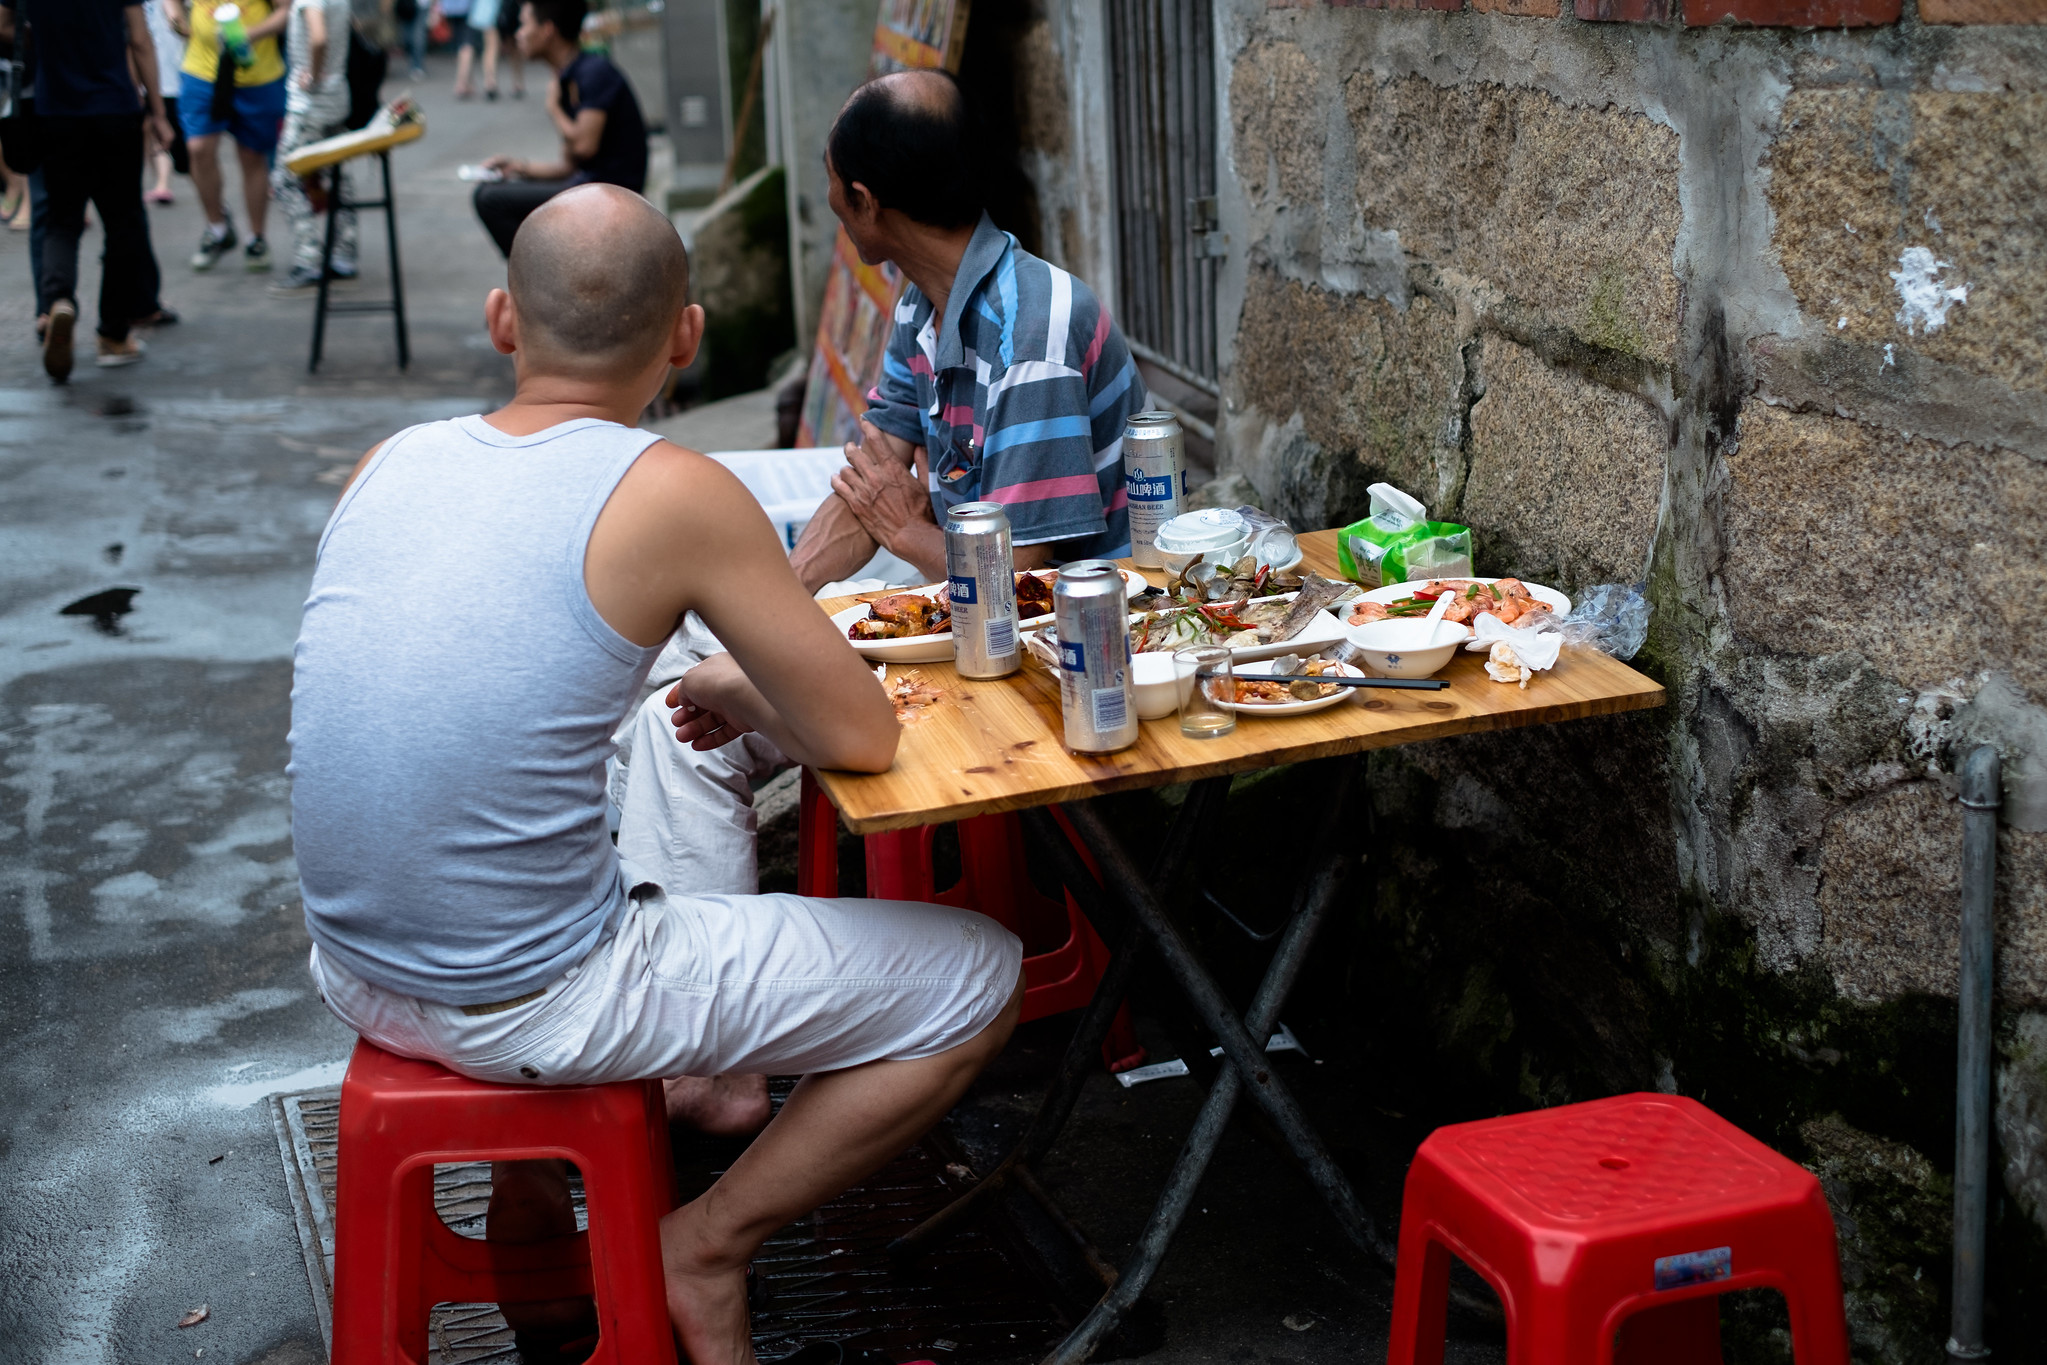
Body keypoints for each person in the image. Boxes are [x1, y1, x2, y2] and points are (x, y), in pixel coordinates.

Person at [290, 182, 1022, 1365]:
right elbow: (862, 737)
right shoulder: (674, 488)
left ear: (500, 322)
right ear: (685, 338)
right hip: (528, 994)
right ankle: (709, 1245)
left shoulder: (387, 463)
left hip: (360, 967)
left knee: (547, 833)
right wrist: (734, 686)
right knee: (976, 977)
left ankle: (531, 1199)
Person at [611, 68, 1145, 902]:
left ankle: (690, 977)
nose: (826, 191)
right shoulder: (923, 305)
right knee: (669, 663)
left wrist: (901, 533)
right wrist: (768, 614)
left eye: (829, 177)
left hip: (1055, 648)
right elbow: (869, 483)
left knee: (673, 708)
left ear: (863, 200)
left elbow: (1020, 587)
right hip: (952, 598)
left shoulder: (1032, 335)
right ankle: (666, 952)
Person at [0, 0, 175, 380]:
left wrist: (43, 39)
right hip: (115, 108)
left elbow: (5, 26)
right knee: (123, 223)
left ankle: (57, 300)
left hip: (54, 110)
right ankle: (113, 336)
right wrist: (159, 113)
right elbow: (141, 40)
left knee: (62, 220)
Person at [471, 0, 645, 258]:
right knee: (490, 192)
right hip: (587, 185)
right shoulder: (570, 76)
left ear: (547, 30)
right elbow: (567, 166)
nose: (518, 34)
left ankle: (540, 280)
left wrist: (554, 109)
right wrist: (517, 168)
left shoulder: (594, 73)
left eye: (524, 24)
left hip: (611, 194)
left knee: (490, 200)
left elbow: (585, 146)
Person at [164, 0, 293, 272]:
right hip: (202, 71)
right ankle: (217, 228)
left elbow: (286, 12)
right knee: (198, 149)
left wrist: (250, 34)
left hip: (258, 74)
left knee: (252, 156)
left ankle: (256, 238)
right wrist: (174, 15)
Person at [267, 0, 353, 291]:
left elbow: (319, 38)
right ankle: (345, 253)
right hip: (336, 97)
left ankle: (309, 258)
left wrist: (313, 76)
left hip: (311, 104)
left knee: (284, 179)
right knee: (338, 178)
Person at [142, 0, 186, 203]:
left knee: (163, 127)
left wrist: (177, 21)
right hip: (144, 73)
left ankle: (163, 183)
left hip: (169, 73)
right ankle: (161, 183)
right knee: (149, 126)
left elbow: (176, 20)